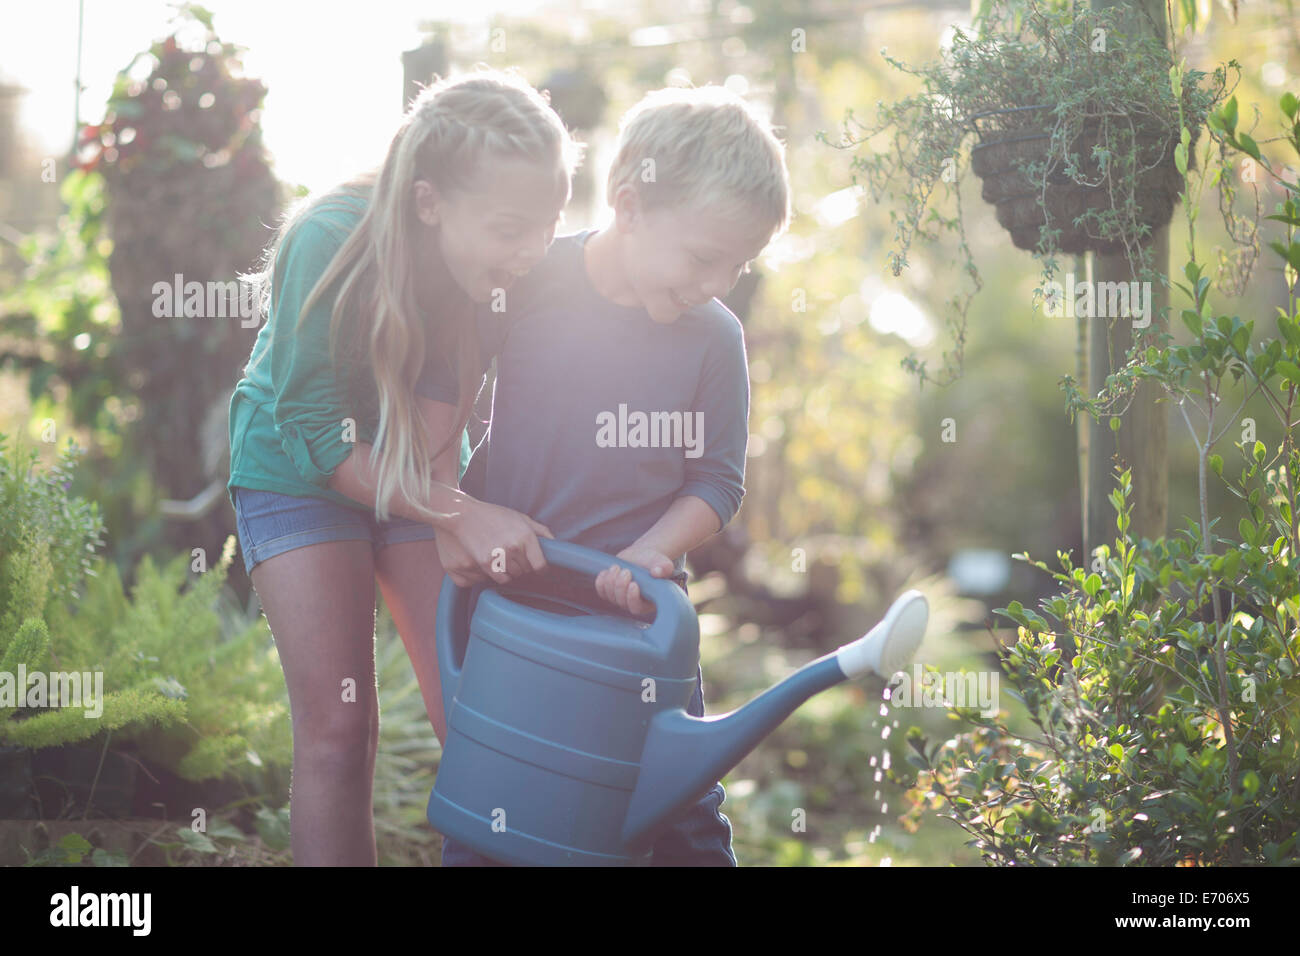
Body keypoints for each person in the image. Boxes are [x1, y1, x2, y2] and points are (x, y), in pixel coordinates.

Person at [226, 68, 582, 866]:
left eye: (546, 227)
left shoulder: (494, 277)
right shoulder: (330, 237)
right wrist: (459, 514)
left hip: (413, 466)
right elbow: (318, 439)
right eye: (509, 227)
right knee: (338, 728)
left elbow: (439, 415)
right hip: (296, 470)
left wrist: (445, 508)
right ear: (430, 203)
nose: (530, 252)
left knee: (478, 712)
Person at [434, 83, 792, 866]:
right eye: (705, 257)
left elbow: (718, 482)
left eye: (739, 265)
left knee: (682, 813)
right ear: (628, 205)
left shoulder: (714, 339)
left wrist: (651, 554)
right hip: (513, 605)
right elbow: (443, 398)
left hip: (641, 625)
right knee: (494, 806)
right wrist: (452, 511)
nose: (719, 282)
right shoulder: (528, 282)